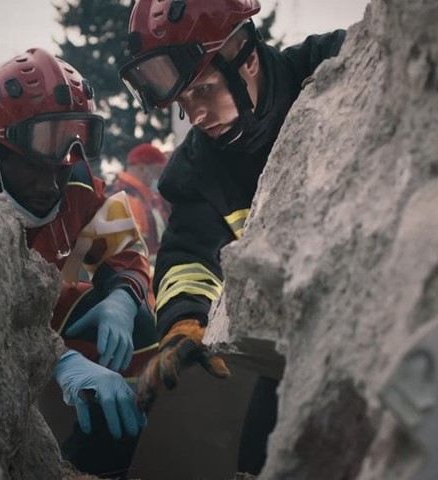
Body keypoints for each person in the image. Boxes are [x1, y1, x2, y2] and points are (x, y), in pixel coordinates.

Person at [119, 0, 346, 474]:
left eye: (203, 89)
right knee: (262, 452)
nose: (196, 116)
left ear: (248, 60)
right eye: (184, 102)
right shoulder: (199, 168)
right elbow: (187, 255)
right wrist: (184, 321)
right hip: (297, 339)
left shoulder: (337, 66)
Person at [0, 47, 158, 479]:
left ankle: (91, 465)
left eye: (70, 146)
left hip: (41, 323)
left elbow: (126, 253)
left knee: (139, 325)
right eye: (40, 157)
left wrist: (124, 299)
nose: (53, 177)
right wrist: (62, 362)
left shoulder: (75, 185)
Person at [110, 143, 171, 267]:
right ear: (142, 169)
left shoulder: (145, 199)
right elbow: (132, 256)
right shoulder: (130, 202)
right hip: (144, 279)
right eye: (159, 172)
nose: (161, 178)